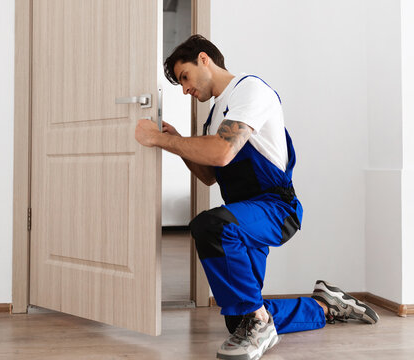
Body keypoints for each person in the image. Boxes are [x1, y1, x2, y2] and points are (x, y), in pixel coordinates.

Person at [135, 34, 379, 360]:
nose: (185, 89)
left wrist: (159, 141)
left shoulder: (249, 91)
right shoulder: (213, 117)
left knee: (211, 226)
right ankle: (325, 306)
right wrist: (179, 141)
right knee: (240, 317)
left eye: (185, 77)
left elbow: (222, 152)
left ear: (204, 60)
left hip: (276, 208)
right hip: (245, 213)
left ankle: (259, 323)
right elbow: (209, 175)